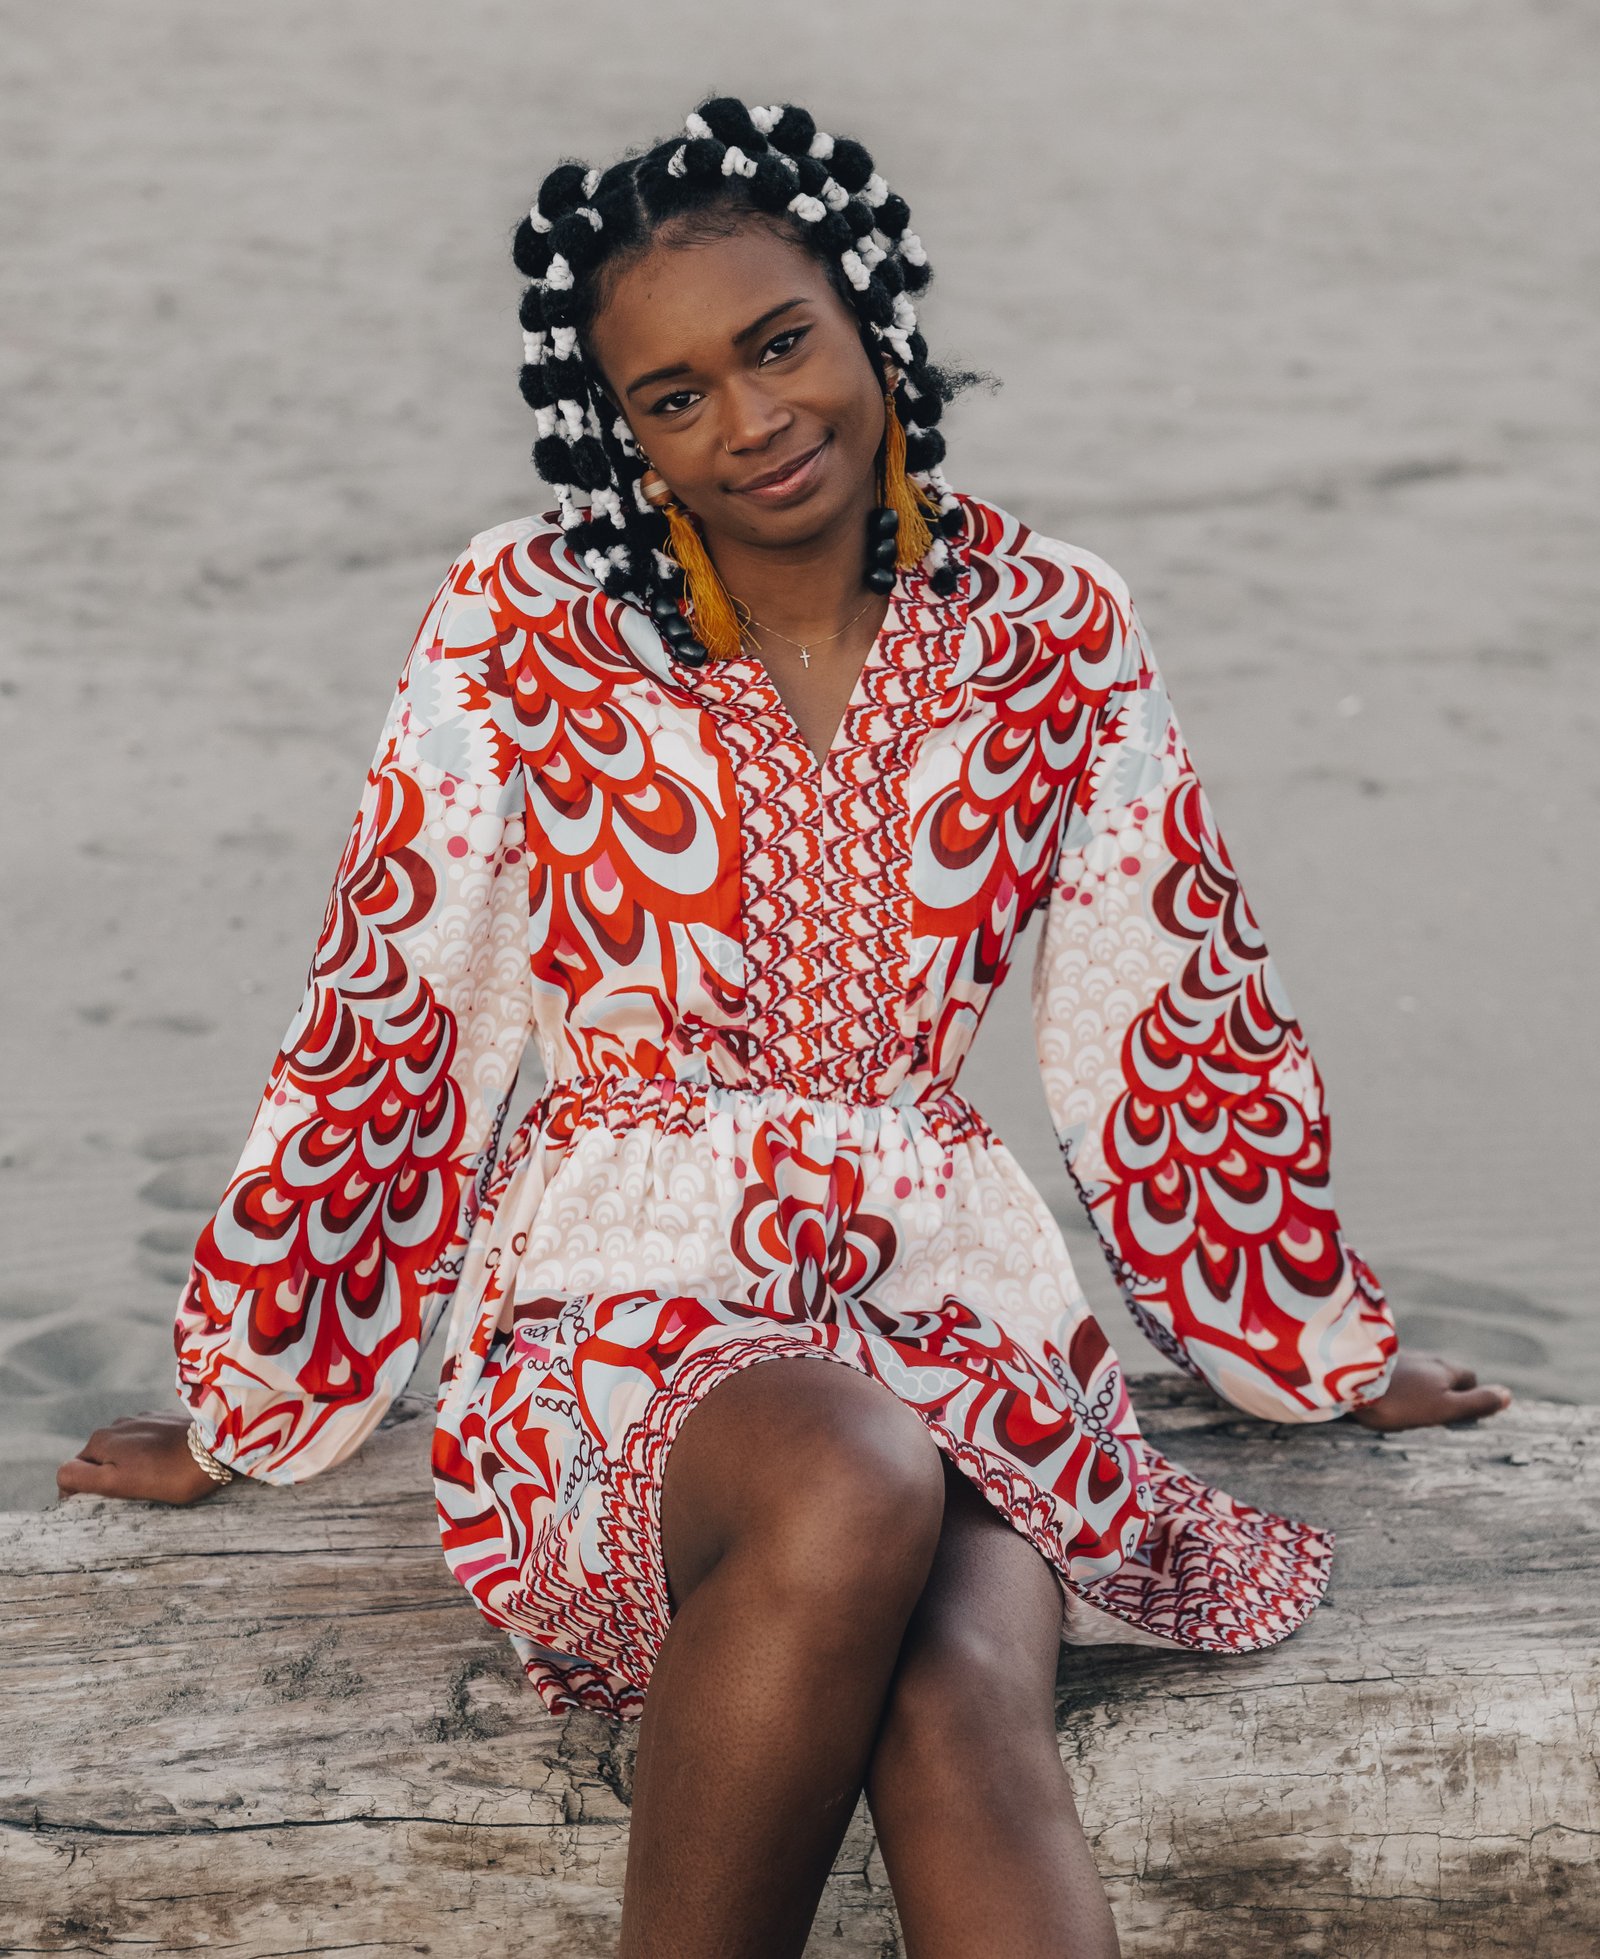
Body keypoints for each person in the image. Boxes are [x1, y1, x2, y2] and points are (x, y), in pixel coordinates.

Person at [59, 95, 1513, 1958]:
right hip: (617, 1320)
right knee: (846, 1473)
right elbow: (397, 1008)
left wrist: (1314, 1353)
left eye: (777, 344)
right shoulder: (529, 627)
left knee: (960, 1691)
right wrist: (256, 1403)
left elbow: (1169, 1005)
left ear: (868, 315)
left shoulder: (1054, 628)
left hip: (954, 1311)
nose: (750, 423)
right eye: (673, 398)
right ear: (623, 431)